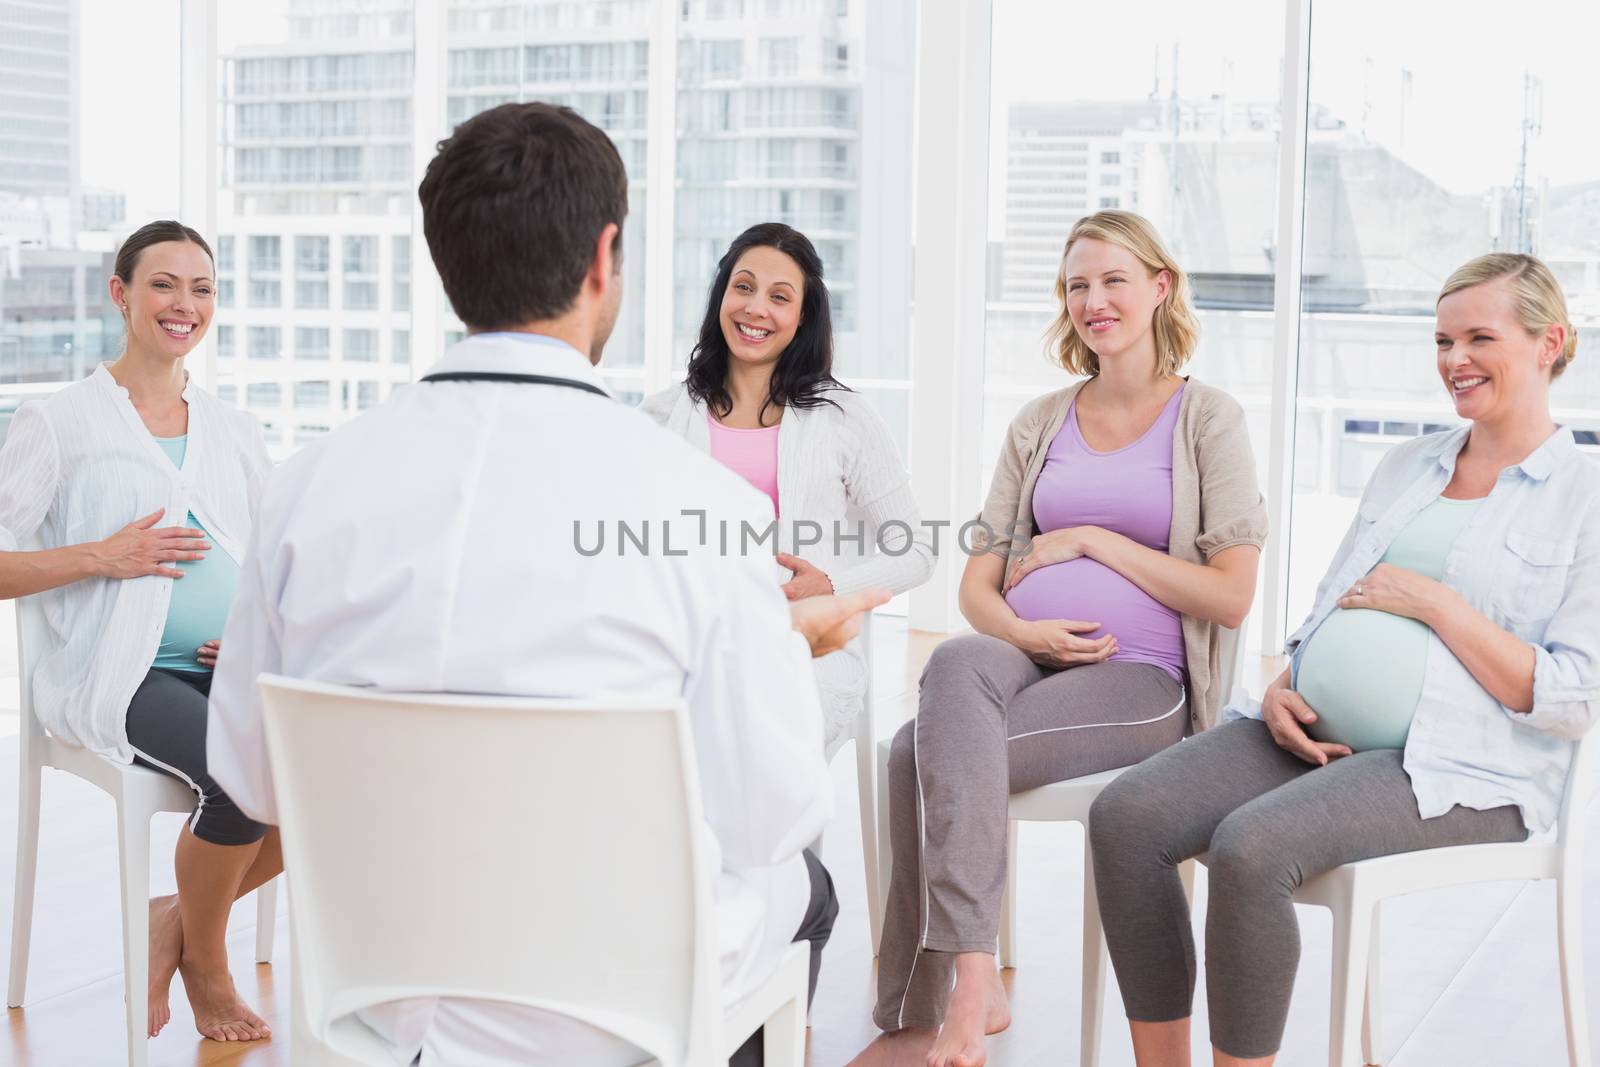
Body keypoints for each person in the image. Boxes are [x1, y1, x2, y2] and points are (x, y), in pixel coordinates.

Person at [204, 101, 887, 1067]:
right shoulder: (700, 507)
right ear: (605, 259)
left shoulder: (308, 486)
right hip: (618, 1007)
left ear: (449, 261)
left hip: (381, 998)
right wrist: (788, 648)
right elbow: (770, 814)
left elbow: (251, 776)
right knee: (804, 889)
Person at [1087, 252, 1600, 1067]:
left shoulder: (1585, 497)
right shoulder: (1410, 466)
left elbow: (1572, 699)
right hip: (1312, 726)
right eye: (1442, 339)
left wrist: (1437, 604)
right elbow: (1331, 604)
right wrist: (1288, 681)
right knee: (1126, 815)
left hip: (1461, 763)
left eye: (1478, 337)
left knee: (1251, 848)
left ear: (1550, 343)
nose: (1454, 360)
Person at [851, 210, 1266, 1067]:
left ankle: (919, 1008)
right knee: (959, 659)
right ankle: (975, 973)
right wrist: (1024, 627)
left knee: (909, 753)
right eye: (1078, 284)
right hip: (1023, 652)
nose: (1094, 300)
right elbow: (974, 586)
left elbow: (1232, 595)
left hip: (1143, 675)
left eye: (1114, 279)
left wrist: (1092, 541)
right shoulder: (1038, 422)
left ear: (1160, 286)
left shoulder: (1208, 419)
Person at [0, 220, 280, 1042]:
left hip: (226, 665)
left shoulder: (234, 429)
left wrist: (264, 636)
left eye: (201, 288)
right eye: (163, 284)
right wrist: (103, 554)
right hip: (122, 672)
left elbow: (270, 560)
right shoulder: (59, 423)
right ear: (120, 294)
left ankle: (175, 918)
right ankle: (209, 964)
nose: (183, 304)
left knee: (325, 763)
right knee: (243, 775)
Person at [643, 222, 934, 751]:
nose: (756, 309)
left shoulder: (844, 418)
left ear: (802, 318)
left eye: (780, 297)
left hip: (804, 644)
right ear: (722, 296)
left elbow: (917, 549)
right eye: (744, 287)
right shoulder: (663, 415)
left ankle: (763, 834)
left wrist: (830, 584)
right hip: (687, 637)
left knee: (752, 723)